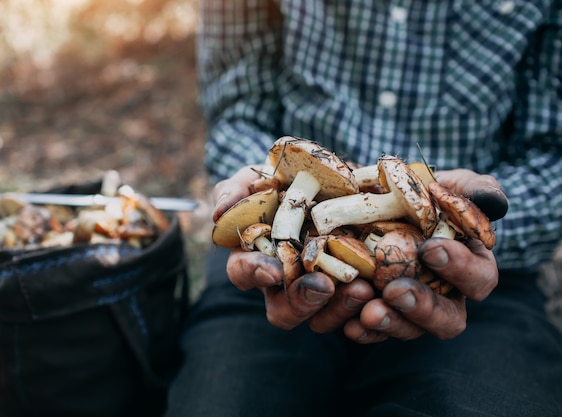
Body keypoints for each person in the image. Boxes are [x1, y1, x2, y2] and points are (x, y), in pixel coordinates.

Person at [164, 1, 562, 416]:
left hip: (475, 285)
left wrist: (473, 218)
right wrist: (260, 189)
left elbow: (552, 153)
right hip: (277, 274)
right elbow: (238, 110)